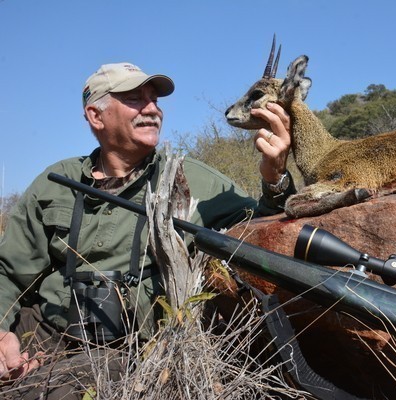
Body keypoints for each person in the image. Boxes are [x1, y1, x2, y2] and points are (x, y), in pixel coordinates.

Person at [0, 62, 295, 398]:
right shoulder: (56, 183)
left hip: (132, 352)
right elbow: (8, 274)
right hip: (45, 331)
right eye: (135, 99)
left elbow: (263, 227)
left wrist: (275, 178)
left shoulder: (194, 179)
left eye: (155, 100)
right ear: (96, 116)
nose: (153, 109)